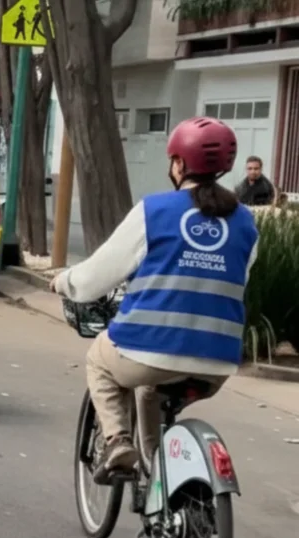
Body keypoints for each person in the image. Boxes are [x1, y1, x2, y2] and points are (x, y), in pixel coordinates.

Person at [51, 116, 259, 484]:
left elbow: (97, 276)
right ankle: (156, 470)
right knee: (152, 390)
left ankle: (117, 442)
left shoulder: (155, 211)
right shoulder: (245, 223)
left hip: (149, 350)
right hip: (218, 361)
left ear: (179, 164)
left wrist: (65, 282)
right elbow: (237, 278)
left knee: (100, 359)